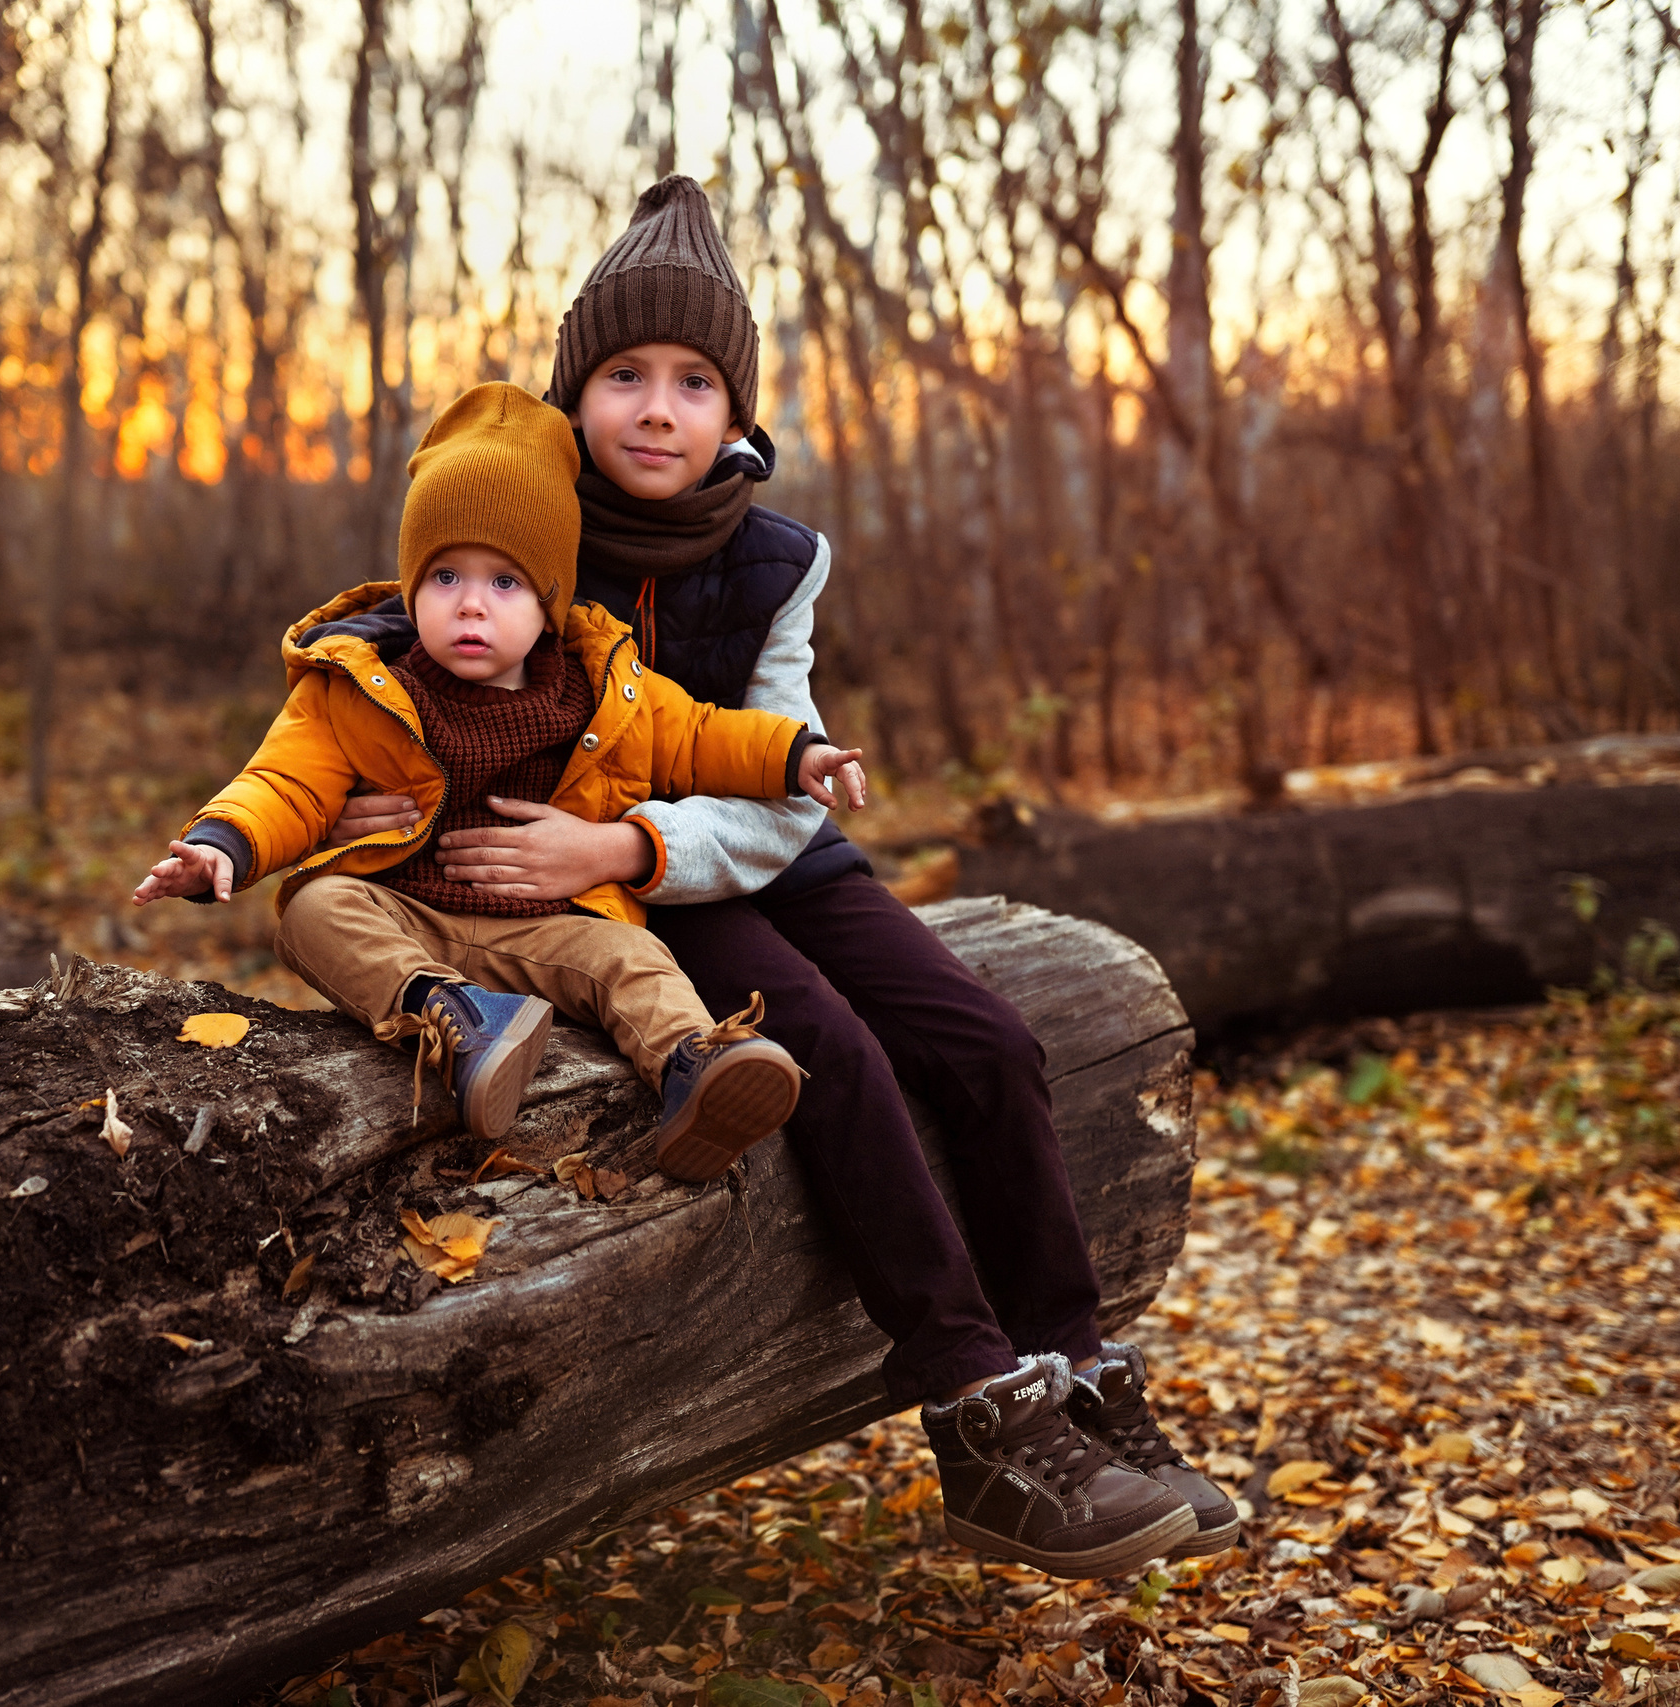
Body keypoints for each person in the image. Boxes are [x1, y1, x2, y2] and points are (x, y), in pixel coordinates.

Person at [323, 178, 1236, 1581]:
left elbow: (776, 785)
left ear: (735, 409)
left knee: (987, 1038)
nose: (656, 408)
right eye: (623, 373)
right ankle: (978, 1408)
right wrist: (378, 784)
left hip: (748, 852)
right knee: (833, 1055)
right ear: (575, 395)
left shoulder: (778, 556)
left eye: (694, 380)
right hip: (628, 905)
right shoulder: (522, 523)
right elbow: (393, 654)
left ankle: (1077, 1361)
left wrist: (628, 839)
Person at [131, 381, 866, 1182]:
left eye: (505, 582)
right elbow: (284, 781)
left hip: (556, 926)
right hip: (409, 913)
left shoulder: (599, 682)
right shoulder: (359, 686)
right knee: (313, 909)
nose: (471, 605)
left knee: (636, 960)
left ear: (550, 598)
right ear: (412, 587)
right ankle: (459, 1022)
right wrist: (223, 846)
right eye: (445, 578)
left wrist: (796, 753)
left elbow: (696, 734)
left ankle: (697, 1069)